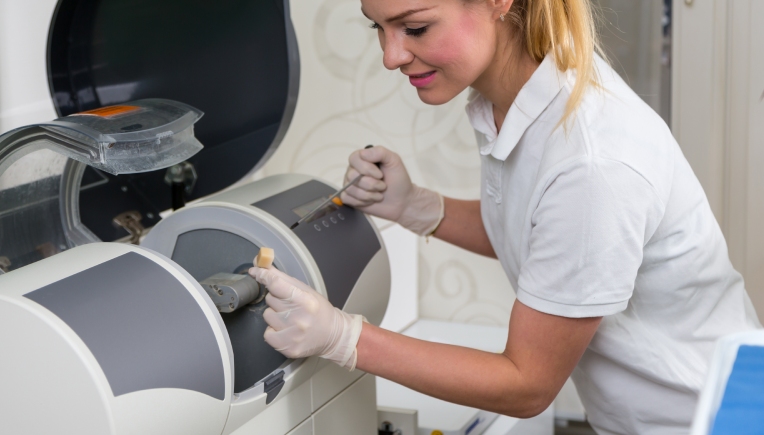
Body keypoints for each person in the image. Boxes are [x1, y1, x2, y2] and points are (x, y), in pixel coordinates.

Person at [247, 0, 762, 433]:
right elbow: (547, 242)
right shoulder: (523, 95)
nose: (390, 55)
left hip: (706, 420)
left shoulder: (591, 160)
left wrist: (344, 337)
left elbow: (527, 384)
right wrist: (416, 207)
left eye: (416, 27)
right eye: (377, 27)